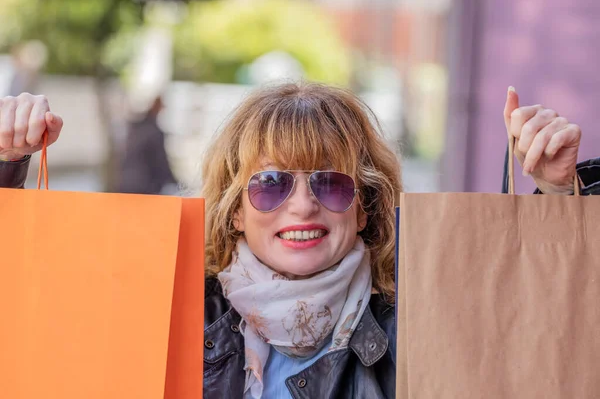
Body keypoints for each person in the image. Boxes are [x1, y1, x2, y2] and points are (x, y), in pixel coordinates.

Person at [0, 84, 599, 398]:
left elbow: (555, 320)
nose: (304, 203)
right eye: (270, 184)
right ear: (234, 212)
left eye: (332, 184)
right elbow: (29, 317)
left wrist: (558, 197)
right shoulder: (164, 311)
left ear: (364, 210)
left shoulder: (431, 318)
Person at [117, 95, 178, 194]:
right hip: (145, 186)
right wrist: (174, 181)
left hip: (126, 183)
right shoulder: (154, 132)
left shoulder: (134, 129)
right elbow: (161, 162)